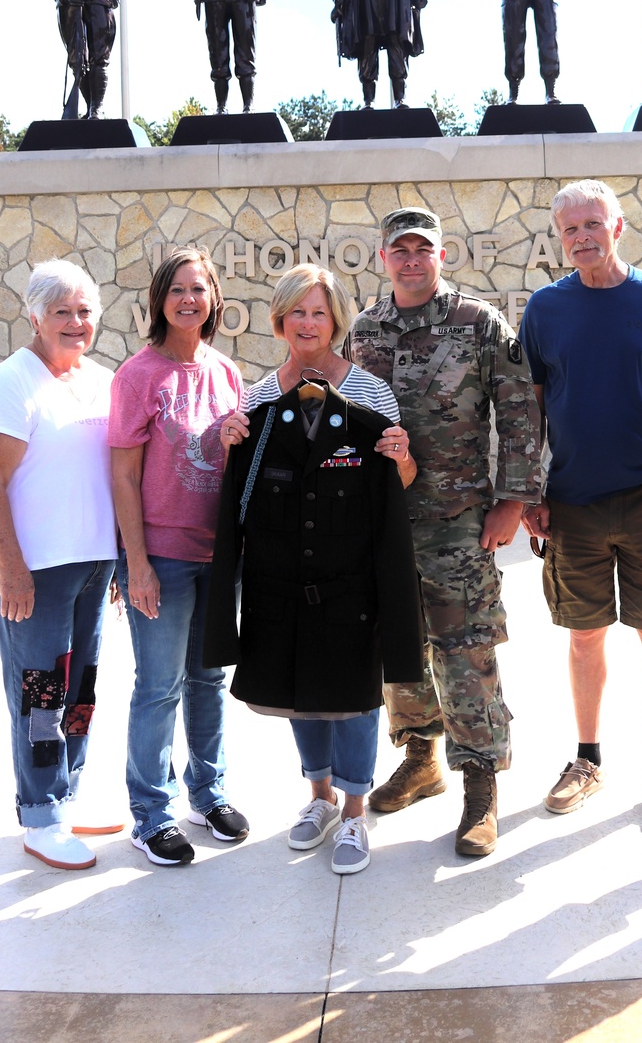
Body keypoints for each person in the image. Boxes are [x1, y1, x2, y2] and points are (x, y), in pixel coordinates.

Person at [211, 264, 423, 876]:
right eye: (297, 312)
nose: (309, 323)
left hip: (351, 578)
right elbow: (241, 484)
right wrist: (227, 440)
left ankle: (356, 813)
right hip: (280, 577)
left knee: (354, 695)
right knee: (301, 693)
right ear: (280, 320)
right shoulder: (256, 398)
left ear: (336, 320)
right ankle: (319, 800)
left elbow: (399, 482)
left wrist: (401, 456)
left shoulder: (369, 392)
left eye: (319, 312)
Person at [345, 207, 541, 857]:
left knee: (466, 654)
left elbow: (519, 414)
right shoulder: (365, 331)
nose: (409, 259)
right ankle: (421, 759)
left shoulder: (480, 324)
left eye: (421, 249)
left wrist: (513, 499)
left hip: (458, 523)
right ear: (382, 258)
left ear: (441, 255)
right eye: (398, 250)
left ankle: (481, 790)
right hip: (383, 524)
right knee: (397, 649)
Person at [519, 180, 642, 828]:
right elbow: (531, 408)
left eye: (593, 223)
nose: (582, 236)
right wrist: (531, 489)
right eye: (570, 229)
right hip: (573, 502)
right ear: (559, 238)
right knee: (585, 635)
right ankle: (587, 759)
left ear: (618, 227)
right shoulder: (545, 309)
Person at [0, 260, 119, 871]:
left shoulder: (101, 381)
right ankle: (40, 815)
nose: (76, 323)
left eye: (85, 312)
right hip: (34, 575)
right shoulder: (10, 385)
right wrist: (13, 569)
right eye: (62, 311)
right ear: (34, 316)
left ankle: (66, 793)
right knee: (39, 696)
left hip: (92, 567)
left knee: (80, 688)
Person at [109, 246, 249, 866]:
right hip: (160, 557)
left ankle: (208, 793)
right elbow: (123, 477)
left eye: (199, 289)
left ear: (214, 299)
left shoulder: (225, 372)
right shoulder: (138, 376)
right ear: (159, 302)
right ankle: (150, 813)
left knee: (209, 681)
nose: (189, 300)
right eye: (177, 290)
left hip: (218, 556)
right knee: (159, 687)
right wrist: (135, 563)